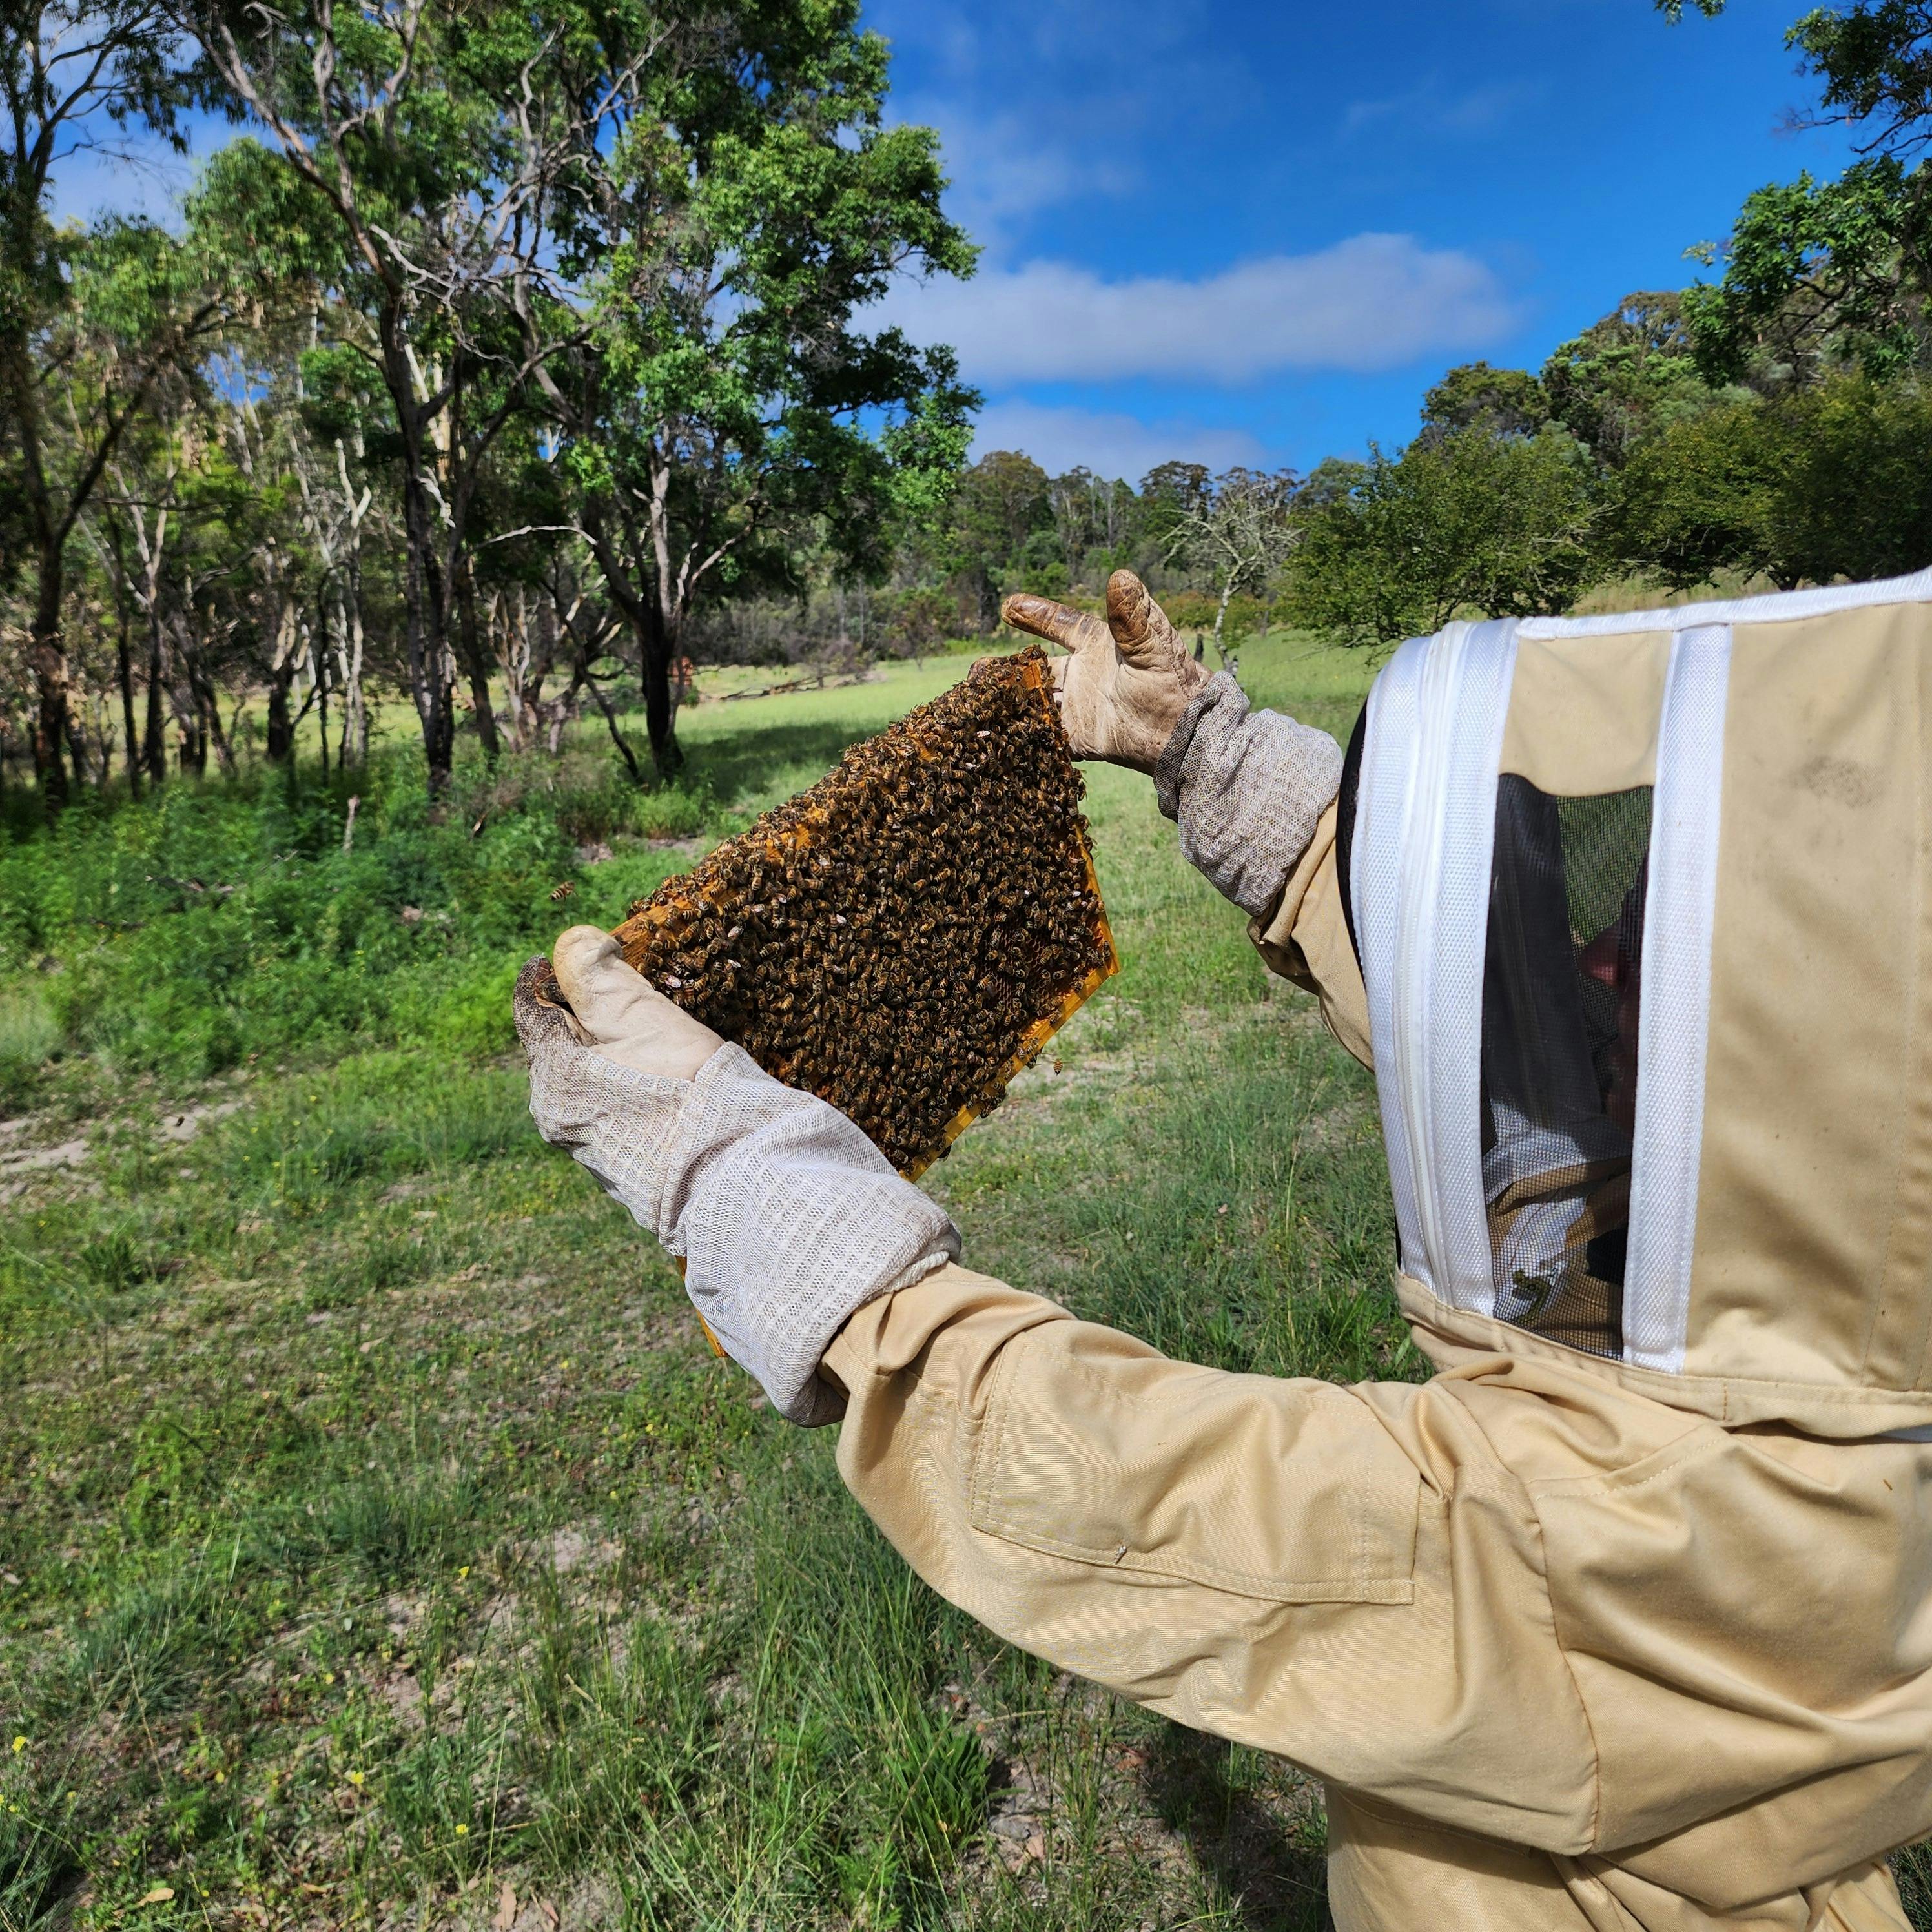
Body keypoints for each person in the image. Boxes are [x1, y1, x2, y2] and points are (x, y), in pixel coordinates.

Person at [515, 567, 1932, 1931]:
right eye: (1626, 917)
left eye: (1662, 960)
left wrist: (725, 1162)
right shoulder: (1838, 1303)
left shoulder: (1669, 1534)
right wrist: (1211, 751)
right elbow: (1507, 1047)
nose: (1600, 960)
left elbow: (1129, 1486)